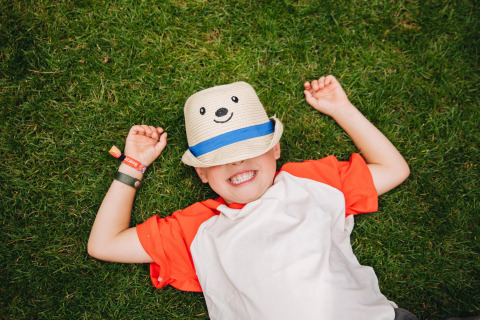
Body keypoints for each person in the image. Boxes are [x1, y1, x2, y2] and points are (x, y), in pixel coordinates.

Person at [88, 75, 415, 319]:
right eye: (219, 159)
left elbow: (392, 169)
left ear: (275, 149)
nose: (236, 162)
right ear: (202, 173)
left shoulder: (309, 182)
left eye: (250, 150)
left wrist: (341, 109)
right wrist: (133, 165)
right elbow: (104, 244)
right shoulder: (197, 230)